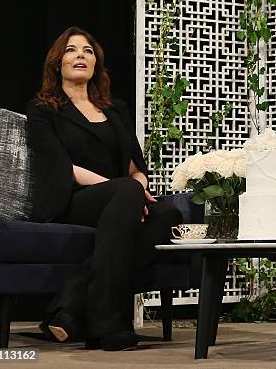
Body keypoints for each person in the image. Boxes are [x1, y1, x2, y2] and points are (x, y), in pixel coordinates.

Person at [27, 26, 183, 351]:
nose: (81, 55)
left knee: (169, 213)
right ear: (58, 63)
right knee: (126, 193)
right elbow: (61, 169)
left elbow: (136, 167)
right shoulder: (44, 109)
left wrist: (136, 187)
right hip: (71, 199)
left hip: (119, 200)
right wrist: (125, 189)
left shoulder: (115, 109)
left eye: (87, 50)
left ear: (96, 62)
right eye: (71, 50)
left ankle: (71, 304)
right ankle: (109, 324)